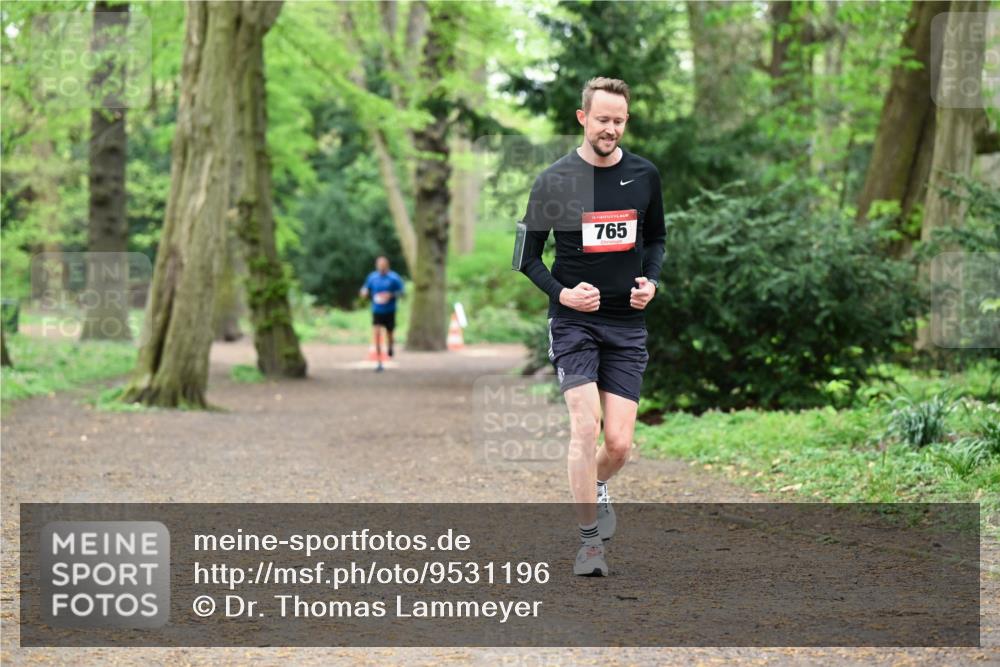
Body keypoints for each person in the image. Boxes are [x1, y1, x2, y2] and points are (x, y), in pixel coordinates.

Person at [517, 77, 665, 576]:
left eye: (619, 121)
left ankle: (596, 485)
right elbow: (526, 257)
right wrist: (562, 294)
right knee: (585, 426)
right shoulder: (554, 181)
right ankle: (589, 545)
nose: (611, 129)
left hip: (626, 324)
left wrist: (652, 282)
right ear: (583, 118)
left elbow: (656, 240)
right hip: (573, 323)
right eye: (602, 119)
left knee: (619, 445)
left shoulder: (644, 175)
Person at [360, 256, 405, 372]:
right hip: (377, 310)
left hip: (390, 310)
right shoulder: (372, 277)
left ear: (387, 265)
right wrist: (364, 292)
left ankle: (390, 347)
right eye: (379, 265)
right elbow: (365, 288)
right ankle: (379, 360)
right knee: (377, 333)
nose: (381, 267)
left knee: (389, 334)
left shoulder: (394, 278)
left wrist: (391, 295)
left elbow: (402, 292)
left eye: (383, 265)